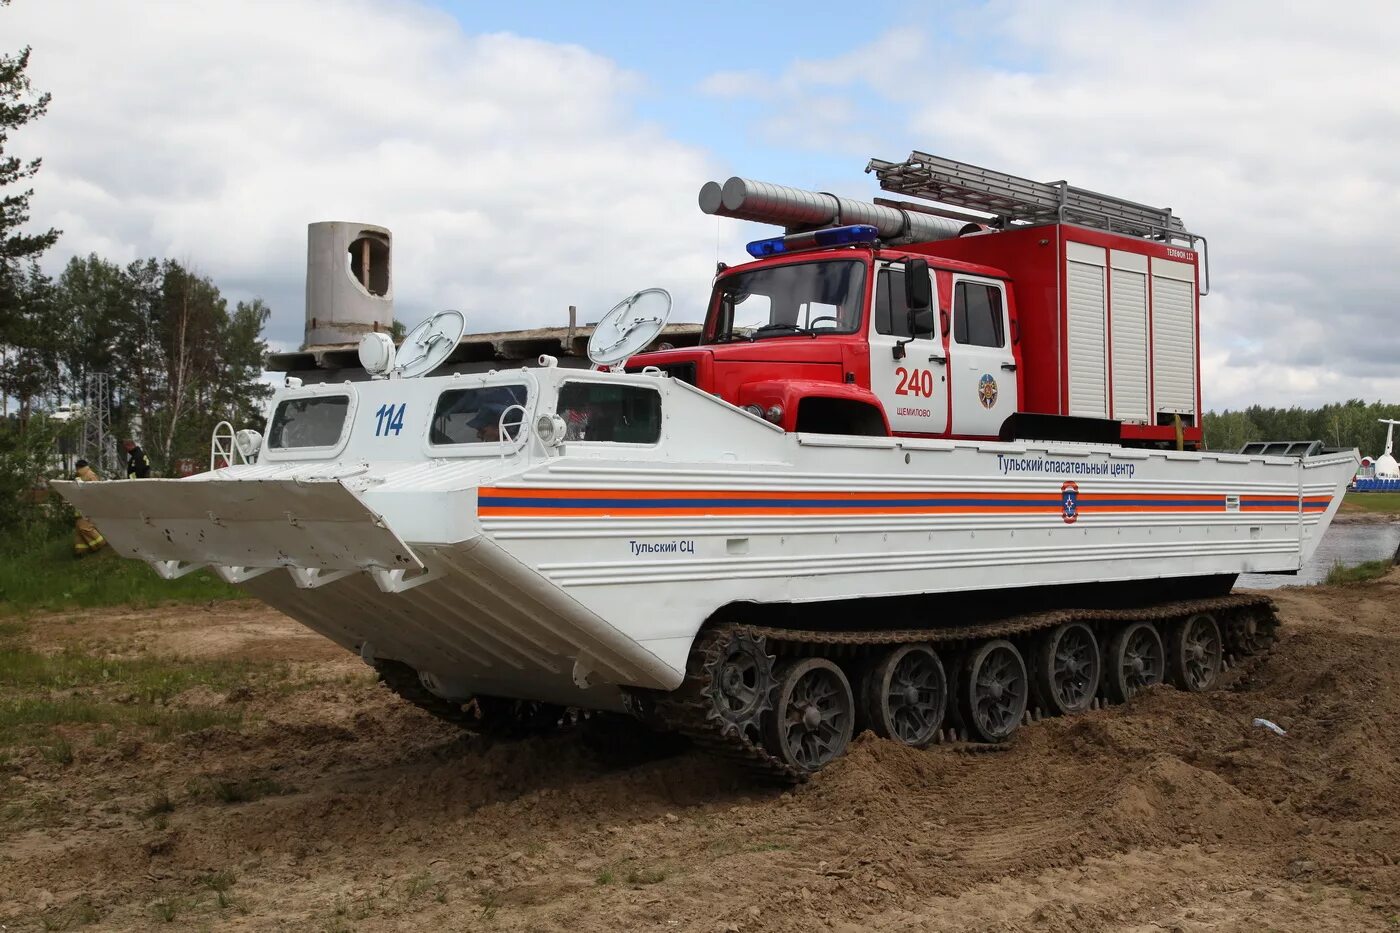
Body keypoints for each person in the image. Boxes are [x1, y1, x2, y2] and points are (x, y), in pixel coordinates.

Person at [71, 459, 107, 557]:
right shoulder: (81, 476)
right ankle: (81, 551)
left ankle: (100, 544)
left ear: (78, 467)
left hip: (87, 508)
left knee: (85, 527)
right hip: (81, 508)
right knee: (79, 530)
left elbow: (95, 492)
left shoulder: (90, 475)